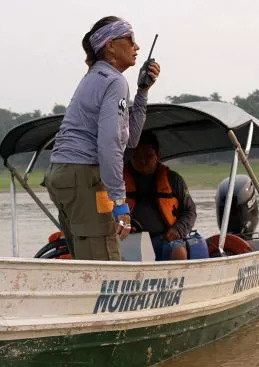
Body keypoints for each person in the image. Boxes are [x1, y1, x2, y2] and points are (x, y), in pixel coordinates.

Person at [43, 16, 161, 261]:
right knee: (104, 265)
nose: (136, 46)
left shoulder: (95, 76)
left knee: (86, 260)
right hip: (83, 175)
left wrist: (142, 92)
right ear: (110, 46)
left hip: (61, 175)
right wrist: (119, 202)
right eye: (130, 39)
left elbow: (130, 140)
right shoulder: (115, 81)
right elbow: (110, 144)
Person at [124, 130, 197, 261]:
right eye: (137, 156)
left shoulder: (174, 180)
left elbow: (190, 211)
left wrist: (178, 229)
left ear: (158, 155)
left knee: (179, 252)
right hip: (129, 240)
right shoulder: (117, 181)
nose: (143, 161)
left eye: (148, 156)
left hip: (164, 239)